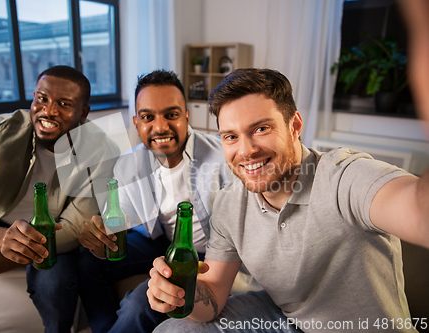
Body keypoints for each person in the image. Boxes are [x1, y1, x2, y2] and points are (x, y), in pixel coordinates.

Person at [148, 68, 429, 333]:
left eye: (260, 129)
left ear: (294, 126)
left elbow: (418, 211)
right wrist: (178, 292)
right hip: (289, 323)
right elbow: (212, 294)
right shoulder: (229, 204)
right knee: (173, 328)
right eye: (231, 136)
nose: (246, 151)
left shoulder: (342, 177)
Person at [0, 65, 118, 333]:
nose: (48, 110)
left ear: (83, 113)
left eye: (64, 104)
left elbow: (74, 228)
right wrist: (0, 241)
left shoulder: (102, 150)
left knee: (56, 287)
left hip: (53, 233)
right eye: (42, 99)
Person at [77, 69, 234, 333]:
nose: (160, 127)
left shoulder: (223, 158)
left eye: (171, 115)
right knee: (86, 260)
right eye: (148, 117)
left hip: (204, 253)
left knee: (140, 301)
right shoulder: (128, 163)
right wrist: (102, 238)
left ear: (186, 117)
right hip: (159, 241)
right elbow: (119, 222)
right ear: (136, 122)